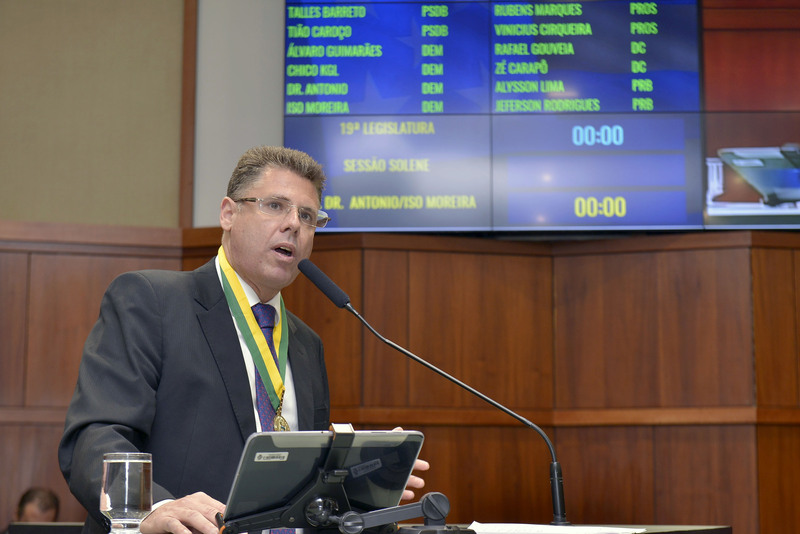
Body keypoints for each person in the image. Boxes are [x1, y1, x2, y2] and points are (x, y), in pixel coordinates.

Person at [58, 146, 428, 534]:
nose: (294, 224)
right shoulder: (151, 301)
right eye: (275, 206)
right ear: (228, 214)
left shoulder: (306, 344)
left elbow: (304, 494)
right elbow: (95, 439)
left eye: (307, 216)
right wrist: (153, 509)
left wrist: (357, 480)